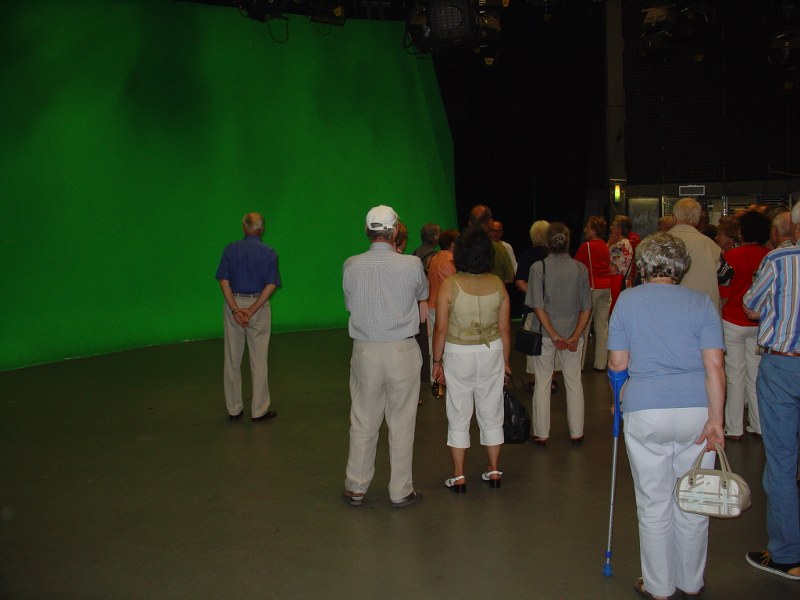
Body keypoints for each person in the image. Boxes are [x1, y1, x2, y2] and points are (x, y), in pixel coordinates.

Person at [607, 232, 726, 600]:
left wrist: (617, 397)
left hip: (647, 410)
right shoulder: (701, 302)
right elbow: (715, 366)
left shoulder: (628, 301)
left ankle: (658, 586)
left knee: (654, 502)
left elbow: (618, 363)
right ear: (681, 267)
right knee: (693, 499)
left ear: (643, 265)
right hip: (697, 412)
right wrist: (717, 420)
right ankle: (691, 581)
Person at [342, 205, 428, 509]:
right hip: (401, 349)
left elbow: (350, 304)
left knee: (363, 419)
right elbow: (422, 299)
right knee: (402, 421)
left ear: (368, 231)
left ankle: (356, 486)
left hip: (365, 349)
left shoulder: (351, 265)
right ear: (394, 232)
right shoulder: (412, 264)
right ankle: (400, 490)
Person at [743, 200, 800, 581]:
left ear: (793, 227)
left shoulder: (780, 260)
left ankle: (787, 554)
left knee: (781, 461)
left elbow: (750, 305)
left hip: (784, 364)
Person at [431, 227, 511, 492]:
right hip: (492, 351)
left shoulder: (449, 285)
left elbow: (440, 329)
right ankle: (494, 469)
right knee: (492, 410)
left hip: (458, 352)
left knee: (458, 411)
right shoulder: (498, 284)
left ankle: (459, 475)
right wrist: (506, 361)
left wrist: (437, 361)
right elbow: (505, 328)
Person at [525, 223, 591, 445]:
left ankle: (542, 433)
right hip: (573, 335)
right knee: (574, 381)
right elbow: (586, 307)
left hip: (545, 335)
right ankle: (577, 432)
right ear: (568, 241)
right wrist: (575, 335)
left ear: (546, 242)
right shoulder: (580, 269)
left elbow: (537, 306)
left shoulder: (538, 268)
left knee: (543, 382)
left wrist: (553, 335)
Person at [215, 212, 281, 422]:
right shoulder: (269, 252)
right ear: (262, 229)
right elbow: (271, 285)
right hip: (258, 306)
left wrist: (236, 309)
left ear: (244, 227)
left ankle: (234, 409)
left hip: (233, 303)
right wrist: (251, 310)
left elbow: (224, 281)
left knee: (232, 359)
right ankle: (259, 410)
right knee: (259, 360)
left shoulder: (230, 249)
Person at [720, 210, 771, 440]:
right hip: (760, 322)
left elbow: (723, 289)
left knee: (734, 375)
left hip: (732, 320)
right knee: (755, 374)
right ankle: (758, 424)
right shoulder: (769, 256)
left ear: (742, 232)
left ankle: (734, 428)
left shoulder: (730, 256)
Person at [515, 220, 559, 391]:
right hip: (553, 308)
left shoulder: (526, 256)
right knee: (553, 342)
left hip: (531, 308)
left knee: (533, 344)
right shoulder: (555, 256)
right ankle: (552, 380)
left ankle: (534, 380)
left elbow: (520, 282)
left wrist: (535, 295)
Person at [669, 198, 722, 313]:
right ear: (697, 220)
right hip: (703, 308)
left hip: (671, 307)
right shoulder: (710, 245)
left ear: (674, 217)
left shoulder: (660, 242)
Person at [574, 216, 612, 371]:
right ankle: (601, 364)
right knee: (602, 327)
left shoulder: (587, 246)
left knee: (584, 325)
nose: (585, 230)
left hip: (592, 287)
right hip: (606, 287)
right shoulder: (605, 246)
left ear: (594, 230)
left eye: (588, 228)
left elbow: (576, 265)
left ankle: (579, 364)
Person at [426, 229, 459, 382]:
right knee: (447, 343)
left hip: (431, 305)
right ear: (452, 244)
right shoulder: (452, 260)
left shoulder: (433, 258)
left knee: (434, 343)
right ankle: (447, 378)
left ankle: (435, 379)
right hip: (445, 307)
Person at [468, 205, 515, 283]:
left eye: (498, 231)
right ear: (490, 223)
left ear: (469, 223)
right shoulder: (500, 249)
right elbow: (510, 278)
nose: (495, 234)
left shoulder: (461, 247)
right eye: (493, 231)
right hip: (495, 289)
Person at [608, 215, 635, 312]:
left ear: (619, 229)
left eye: (613, 225)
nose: (610, 227)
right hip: (622, 281)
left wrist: (609, 244)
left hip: (615, 281)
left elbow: (602, 256)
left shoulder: (619, 245)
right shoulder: (625, 243)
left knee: (612, 309)